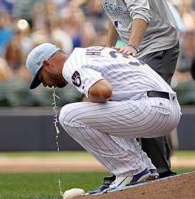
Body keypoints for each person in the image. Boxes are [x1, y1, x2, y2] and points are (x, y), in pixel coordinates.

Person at [57, 0, 180, 188]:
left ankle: (160, 173)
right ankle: (133, 168)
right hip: (135, 48)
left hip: (157, 43)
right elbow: (115, 17)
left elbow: (141, 12)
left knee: (149, 102)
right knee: (116, 104)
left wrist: (131, 46)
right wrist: (108, 49)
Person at [26, 43, 181, 191]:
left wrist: (88, 101)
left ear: (47, 64)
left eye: (41, 78)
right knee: (97, 112)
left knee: (69, 115)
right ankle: (145, 169)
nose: (45, 85)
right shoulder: (89, 52)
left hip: (153, 107)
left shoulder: (71, 64)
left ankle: (131, 170)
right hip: (165, 106)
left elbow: (103, 91)